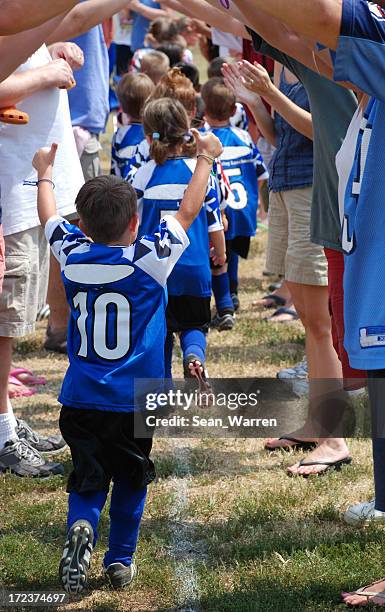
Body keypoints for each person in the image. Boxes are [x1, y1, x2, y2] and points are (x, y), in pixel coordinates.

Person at [32, 126, 223, 593]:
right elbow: (189, 210)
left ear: (84, 226)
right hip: (136, 401)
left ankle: (83, 526)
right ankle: (119, 560)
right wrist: (205, 160)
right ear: (136, 223)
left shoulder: (72, 254)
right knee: (132, 479)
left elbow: (49, 220)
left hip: (80, 397)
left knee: (88, 476)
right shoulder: (148, 258)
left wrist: (44, 175)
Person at [0, 40, 84, 477]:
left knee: (11, 324)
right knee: (3, 325)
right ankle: (2, 437)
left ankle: (6, 420)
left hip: (21, 189)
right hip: (10, 191)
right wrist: (48, 74)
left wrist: (55, 48)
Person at [133, 97, 226, 390]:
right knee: (194, 325)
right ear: (186, 130)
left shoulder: (143, 174)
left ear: (148, 136)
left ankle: (162, 388)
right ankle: (194, 356)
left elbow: (131, 223)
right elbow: (214, 222)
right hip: (194, 266)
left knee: (158, 332)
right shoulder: (199, 173)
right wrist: (220, 254)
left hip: (155, 269)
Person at [201, 76, 268, 328]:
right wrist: (257, 203)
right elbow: (260, 173)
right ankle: (233, 294)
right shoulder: (243, 137)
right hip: (243, 209)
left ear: (204, 110)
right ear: (233, 110)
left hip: (220, 211)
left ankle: (225, 300)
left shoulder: (205, 140)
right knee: (233, 252)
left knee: (218, 254)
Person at [111, 72, 154, 180]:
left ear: (122, 107)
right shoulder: (155, 134)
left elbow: (114, 170)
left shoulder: (118, 135)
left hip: (123, 191)